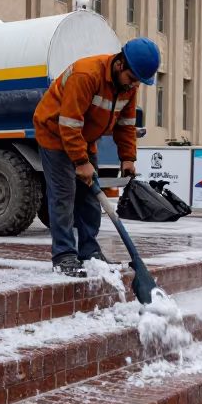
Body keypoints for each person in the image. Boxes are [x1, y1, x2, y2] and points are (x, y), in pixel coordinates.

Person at [33, 37, 160, 276]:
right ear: (121, 64)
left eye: (138, 82)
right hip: (54, 133)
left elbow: (126, 123)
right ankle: (64, 256)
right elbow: (69, 123)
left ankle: (90, 252)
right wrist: (81, 162)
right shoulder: (86, 75)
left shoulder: (129, 88)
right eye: (132, 79)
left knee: (90, 199)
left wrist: (128, 157)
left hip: (84, 138)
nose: (134, 86)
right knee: (64, 196)